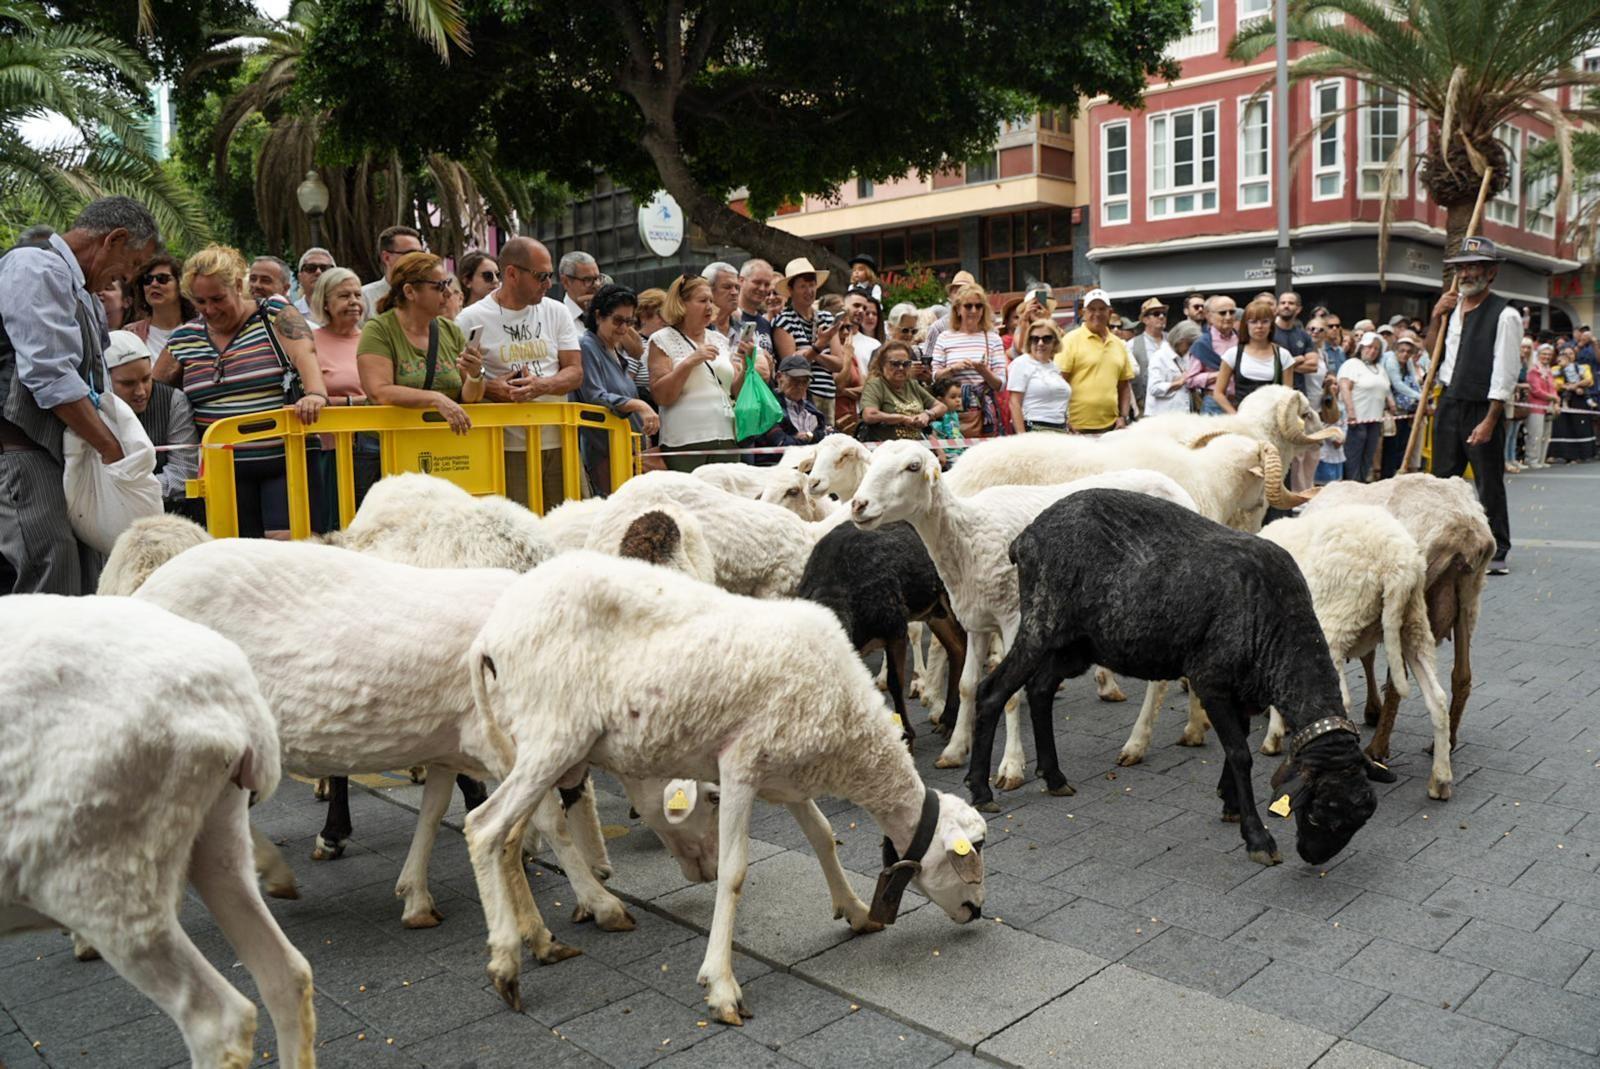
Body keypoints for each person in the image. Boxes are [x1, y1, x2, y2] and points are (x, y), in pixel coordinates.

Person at [154, 243, 332, 538]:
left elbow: (304, 352)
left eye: (217, 298)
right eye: (200, 302)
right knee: (235, 558)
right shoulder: (184, 337)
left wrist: (315, 393)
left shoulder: (273, 312)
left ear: (238, 285)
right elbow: (153, 391)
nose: (209, 309)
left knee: (286, 549)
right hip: (223, 468)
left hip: (284, 459)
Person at [453, 237, 583, 508]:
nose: (548, 284)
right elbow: (458, 383)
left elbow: (575, 372)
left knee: (568, 523)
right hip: (505, 446)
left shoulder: (556, 312)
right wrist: (491, 388)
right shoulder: (470, 319)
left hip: (561, 438)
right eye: (541, 276)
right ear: (511, 273)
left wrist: (541, 385)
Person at [1425, 237, 1522, 572]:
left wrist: (1491, 419)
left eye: (1473, 266)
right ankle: (1442, 542)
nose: (1466, 273)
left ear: (1491, 273)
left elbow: (1505, 371)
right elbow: (1432, 354)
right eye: (1461, 267)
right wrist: (1437, 316)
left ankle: (1497, 549)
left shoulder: (1505, 314)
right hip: (1449, 399)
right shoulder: (1451, 309)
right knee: (1442, 478)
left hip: (1483, 406)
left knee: (1488, 480)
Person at [648, 272, 760, 471]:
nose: (710, 306)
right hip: (684, 442)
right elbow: (662, 396)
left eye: (710, 300)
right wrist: (690, 361)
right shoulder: (661, 339)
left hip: (727, 437)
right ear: (681, 304)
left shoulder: (719, 340)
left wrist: (747, 363)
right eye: (702, 300)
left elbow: (735, 391)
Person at [102, 330, 201, 522]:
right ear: (106, 380)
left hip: (167, 514)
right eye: (128, 383)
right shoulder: (91, 409)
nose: (140, 391)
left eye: (146, 379)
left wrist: (132, 493)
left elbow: (183, 472)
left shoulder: (173, 401)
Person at [576, 283, 659, 494]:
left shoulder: (614, 351)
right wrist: (638, 405)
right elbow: (594, 395)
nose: (623, 328)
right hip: (604, 451)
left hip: (627, 448)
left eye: (629, 322)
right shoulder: (587, 346)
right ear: (598, 316)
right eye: (617, 320)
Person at [772, 257, 844, 421]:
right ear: (791, 290)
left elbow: (839, 364)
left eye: (812, 285)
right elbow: (791, 365)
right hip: (801, 396)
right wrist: (819, 346)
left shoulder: (826, 317)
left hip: (828, 393)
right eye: (802, 286)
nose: (809, 291)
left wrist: (810, 353)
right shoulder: (783, 320)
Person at [1056, 288, 1136, 434]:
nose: (1097, 314)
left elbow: (1124, 386)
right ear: (1083, 312)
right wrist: (1064, 420)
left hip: (1111, 428)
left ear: (1110, 312)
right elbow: (1059, 383)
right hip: (1076, 429)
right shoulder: (1070, 340)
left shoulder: (1119, 344)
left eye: (1102, 309)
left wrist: (1123, 417)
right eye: (1092, 309)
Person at [931, 283, 1006, 438]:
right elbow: (935, 377)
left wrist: (983, 371)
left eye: (979, 306)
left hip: (982, 410)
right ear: (958, 309)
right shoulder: (945, 337)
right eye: (968, 306)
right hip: (951, 410)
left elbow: (1000, 384)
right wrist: (953, 369)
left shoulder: (993, 338)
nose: (974, 311)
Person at [1214, 297, 1294, 414]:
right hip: (1243, 419)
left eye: (1265, 321)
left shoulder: (1283, 355)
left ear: (1271, 325)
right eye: (1253, 321)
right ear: (1246, 325)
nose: (1259, 326)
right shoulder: (1233, 354)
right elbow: (1218, 393)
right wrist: (1235, 415)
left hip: (1272, 419)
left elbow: (1288, 395)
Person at [1336, 331, 1395, 483]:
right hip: (1357, 419)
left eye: (1376, 348)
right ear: (1361, 347)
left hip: (1374, 420)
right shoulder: (1352, 364)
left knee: (1368, 456)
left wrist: (1391, 402)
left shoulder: (1380, 369)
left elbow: (1386, 388)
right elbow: (1345, 387)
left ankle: (1361, 485)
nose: (1372, 351)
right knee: (1353, 456)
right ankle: (1351, 487)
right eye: (1369, 347)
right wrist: (1351, 412)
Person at [859, 341, 945, 441]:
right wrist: (902, 419)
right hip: (888, 448)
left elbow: (941, 407)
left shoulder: (912, 384)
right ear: (882, 365)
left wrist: (927, 414)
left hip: (916, 446)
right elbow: (869, 415)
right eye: (895, 364)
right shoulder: (875, 385)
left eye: (906, 364)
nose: (900, 368)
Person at [747, 356, 831, 451]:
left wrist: (809, 436)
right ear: (779, 377)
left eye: (805, 382)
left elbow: (832, 434)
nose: (800, 386)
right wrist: (817, 439)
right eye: (794, 380)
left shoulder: (810, 408)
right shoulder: (768, 406)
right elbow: (782, 444)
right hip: (777, 464)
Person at [125, 253, 194, 359]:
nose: (154, 284)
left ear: (181, 284)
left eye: (162, 279)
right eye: (148, 280)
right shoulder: (130, 334)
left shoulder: (200, 331)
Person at [1007, 318, 1071, 431]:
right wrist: (1022, 437)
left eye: (1046, 339)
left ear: (1055, 342)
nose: (1040, 343)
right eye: (1034, 339)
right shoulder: (1021, 363)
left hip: (1060, 429)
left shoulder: (1054, 366)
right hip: (1034, 429)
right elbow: (1014, 403)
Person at [1378, 330, 1424, 478]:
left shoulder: (1408, 361)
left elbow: (1412, 379)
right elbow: (1397, 384)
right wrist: (1419, 396)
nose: (1405, 354)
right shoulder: (1390, 360)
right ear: (1396, 350)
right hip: (1390, 407)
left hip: (1405, 409)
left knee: (1402, 444)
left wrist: (1419, 397)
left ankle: (1399, 472)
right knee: (1391, 445)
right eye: (1402, 351)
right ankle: (1387, 476)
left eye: (1408, 351)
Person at [1186, 294, 1239, 414]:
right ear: (1209, 316)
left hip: (1240, 401)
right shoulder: (1202, 344)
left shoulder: (1242, 340)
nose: (1228, 316)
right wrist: (1220, 374)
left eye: (1232, 312)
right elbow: (1190, 380)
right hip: (1214, 404)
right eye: (1222, 313)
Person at [361, 225, 424, 318]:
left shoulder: (428, 295)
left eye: (421, 254)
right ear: (386, 257)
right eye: (411, 254)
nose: (418, 260)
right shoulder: (364, 297)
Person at [1548, 344, 1597, 463]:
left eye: (1571, 353)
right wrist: (1566, 386)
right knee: (1561, 426)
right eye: (1566, 354)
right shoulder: (1555, 369)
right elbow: (1553, 383)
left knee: (1579, 426)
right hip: (1562, 398)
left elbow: (1589, 380)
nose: (1569, 356)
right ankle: (1560, 454)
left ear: (1575, 355)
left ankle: (1581, 454)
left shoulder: (1582, 367)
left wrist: (1575, 385)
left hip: (1579, 399)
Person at [1146, 319, 1200, 417]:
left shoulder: (1186, 357)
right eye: (1189, 344)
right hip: (1164, 417)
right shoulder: (1159, 357)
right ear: (1180, 340)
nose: (1190, 348)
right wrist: (1178, 383)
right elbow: (1153, 388)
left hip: (1184, 414)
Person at [731, 259, 777, 367]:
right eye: (757, 282)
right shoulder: (729, 317)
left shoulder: (766, 323)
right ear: (741, 281)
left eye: (767, 284)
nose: (762, 288)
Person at [922, 268, 977, 356]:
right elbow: (927, 362)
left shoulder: (986, 328)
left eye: (966, 291)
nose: (961, 296)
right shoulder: (938, 328)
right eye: (957, 292)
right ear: (950, 296)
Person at [1127, 297, 1166, 417]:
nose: (1161, 317)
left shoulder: (1173, 340)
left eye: (1163, 313)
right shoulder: (1132, 345)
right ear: (1145, 319)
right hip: (1145, 407)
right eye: (1156, 314)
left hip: (1172, 404)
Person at [1524, 342, 1558, 469]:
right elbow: (1535, 390)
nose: (1547, 356)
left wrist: (1555, 399)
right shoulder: (1533, 369)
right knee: (1535, 434)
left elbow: (1553, 387)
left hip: (1548, 407)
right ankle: (1531, 459)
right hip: (1536, 406)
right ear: (1538, 354)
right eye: (1544, 354)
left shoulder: (1548, 370)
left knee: (1545, 435)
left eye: (1549, 354)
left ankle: (1541, 459)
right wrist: (1553, 397)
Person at [928, 375, 967, 465]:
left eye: (959, 396)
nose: (958, 400)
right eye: (953, 397)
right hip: (949, 454)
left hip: (960, 451)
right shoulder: (939, 415)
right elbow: (932, 435)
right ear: (940, 400)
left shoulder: (954, 414)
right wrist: (940, 452)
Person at [559, 250, 602, 325]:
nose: (597, 284)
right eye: (588, 280)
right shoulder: (557, 320)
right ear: (566, 282)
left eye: (598, 278)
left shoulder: (605, 315)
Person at [293, 248, 335, 321]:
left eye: (325, 268)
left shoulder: (346, 310)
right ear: (300, 278)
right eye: (310, 268)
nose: (318, 272)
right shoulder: (291, 313)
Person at [702, 261, 740, 339]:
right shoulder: (696, 329)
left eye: (737, 287)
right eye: (727, 287)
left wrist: (753, 351)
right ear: (709, 290)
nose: (735, 292)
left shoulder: (743, 329)